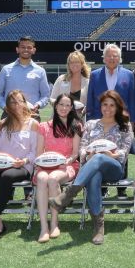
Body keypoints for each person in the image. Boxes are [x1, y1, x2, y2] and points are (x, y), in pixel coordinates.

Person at [50, 91, 135, 245]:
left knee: (98, 158)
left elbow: (124, 151)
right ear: (100, 106)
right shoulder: (90, 124)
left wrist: (110, 155)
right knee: (94, 175)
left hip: (114, 168)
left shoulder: (125, 126)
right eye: (105, 105)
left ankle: (70, 193)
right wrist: (86, 155)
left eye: (112, 105)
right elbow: (82, 148)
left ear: (117, 107)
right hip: (93, 167)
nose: (108, 108)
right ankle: (98, 226)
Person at [0, 90, 41, 242]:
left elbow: (35, 152)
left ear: (25, 103)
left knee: (7, 176)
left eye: (19, 101)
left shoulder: (33, 124)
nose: (16, 105)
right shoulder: (2, 124)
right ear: (8, 106)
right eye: (12, 102)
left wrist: (23, 161)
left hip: (22, 165)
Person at [34, 93, 82, 243]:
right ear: (55, 106)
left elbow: (75, 154)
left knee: (53, 178)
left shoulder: (76, 126)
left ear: (72, 108)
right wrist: (42, 164)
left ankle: (54, 223)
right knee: (42, 178)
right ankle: (43, 227)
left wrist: (66, 161)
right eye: (61, 104)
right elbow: (38, 153)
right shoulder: (43, 127)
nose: (64, 108)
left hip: (67, 166)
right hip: (45, 165)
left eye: (68, 105)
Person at [0, 35, 51, 119]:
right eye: (23, 47)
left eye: (29, 47)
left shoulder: (40, 71)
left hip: (32, 114)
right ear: (17, 49)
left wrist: (38, 105)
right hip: (9, 115)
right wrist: (5, 107)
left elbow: (45, 95)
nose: (26, 50)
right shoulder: (6, 69)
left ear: (33, 50)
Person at [87, 44, 135, 124]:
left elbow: (132, 100)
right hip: (98, 119)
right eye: (108, 55)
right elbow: (90, 100)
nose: (112, 58)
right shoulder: (94, 75)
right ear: (104, 58)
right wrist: (89, 119)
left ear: (119, 59)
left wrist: (132, 120)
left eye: (115, 56)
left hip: (121, 120)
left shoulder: (129, 75)